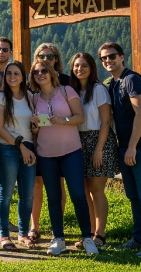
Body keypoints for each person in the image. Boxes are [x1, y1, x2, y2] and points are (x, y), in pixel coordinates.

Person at [99, 42, 141, 258]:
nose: (108, 60)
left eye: (112, 56)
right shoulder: (113, 83)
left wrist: (132, 147)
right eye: (104, 58)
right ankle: (139, 238)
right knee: (134, 195)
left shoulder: (132, 80)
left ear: (122, 56)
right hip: (127, 147)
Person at [29, 60, 98, 256]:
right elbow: (35, 130)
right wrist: (34, 124)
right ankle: (58, 239)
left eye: (44, 70)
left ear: (51, 72)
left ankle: (87, 238)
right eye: (36, 72)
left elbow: (79, 117)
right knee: (54, 198)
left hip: (71, 151)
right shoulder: (35, 99)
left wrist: (63, 120)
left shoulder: (66, 91)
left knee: (78, 194)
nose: (40, 74)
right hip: (46, 154)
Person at [69, 52, 118, 249]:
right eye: (76, 66)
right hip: (77, 141)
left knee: (97, 190)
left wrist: (98, 149)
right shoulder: (71, 91)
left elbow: (106, 121)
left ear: (91, 69)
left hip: (99, 140)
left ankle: (100, 235)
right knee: (83, 191)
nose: (79, 69)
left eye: (84, 66)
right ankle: (88, 233)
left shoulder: (98, 89)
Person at [0, 62, 37, 250]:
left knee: (27, 195)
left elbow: (33, 127)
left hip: (28, 147)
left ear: (23, 76)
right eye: (9, 73)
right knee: (6, 193)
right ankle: (4, 236)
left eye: (16, 73)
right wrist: (21, 147)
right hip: (8, 148)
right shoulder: (1, 96)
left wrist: (35, 127)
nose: (12, 76)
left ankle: (23, 233)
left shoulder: (29, 96)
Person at [28, 42, 68, 242]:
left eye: (49, 57)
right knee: (36, 183)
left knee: (58, 185)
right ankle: (34, 227)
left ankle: (56, 228)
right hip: (36, 141)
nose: (45, 60)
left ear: (56, 59)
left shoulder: (67, 83)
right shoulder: (31, 82)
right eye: (41, 57)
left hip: (62, 143)